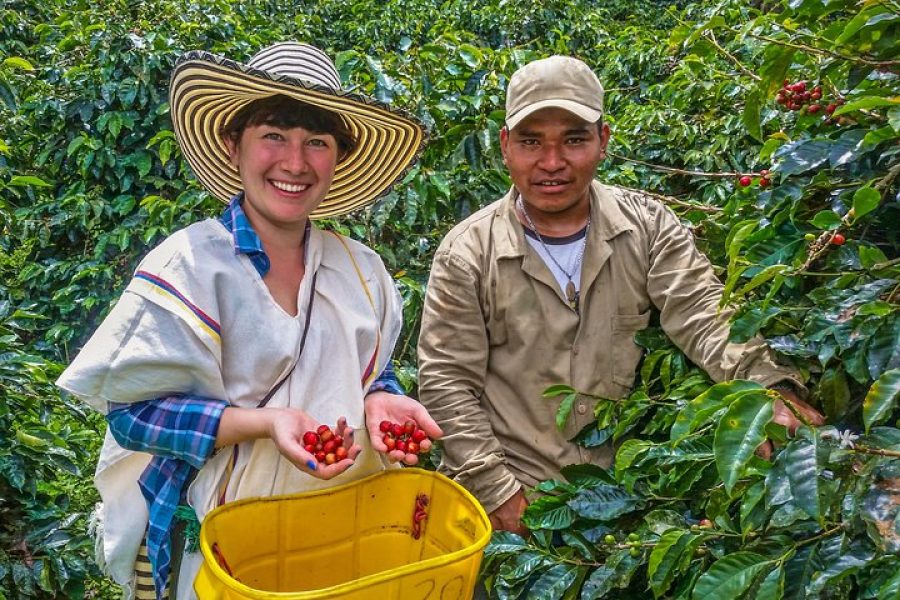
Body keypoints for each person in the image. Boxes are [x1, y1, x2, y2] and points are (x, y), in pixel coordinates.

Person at [56, 42, 441, 599]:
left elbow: (365, 373)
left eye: (317, 142)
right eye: (274, 137)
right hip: (222, 534)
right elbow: (134, 416)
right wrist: (262, 423)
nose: (295, 162)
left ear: (337, 159)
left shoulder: (361, 270)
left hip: (343, 525)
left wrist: (382, 399)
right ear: (235, 145)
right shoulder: (188, 266)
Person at [417, 55, 824, 537]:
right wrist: (499, 493)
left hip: (619, 496)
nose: (552, 163)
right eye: (531, 142)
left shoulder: (648, 227)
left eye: (573, 140)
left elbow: (705, 316)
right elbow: (447, 382)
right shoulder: (469, 253)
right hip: (510, 496)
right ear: (505, 146)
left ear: (602, 140)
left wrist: (771, 387)